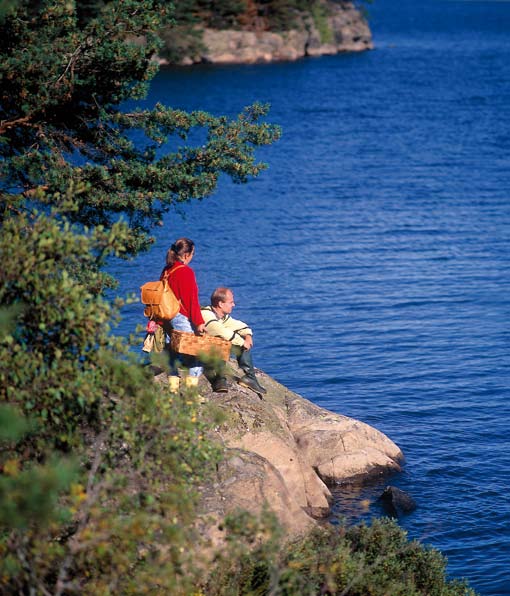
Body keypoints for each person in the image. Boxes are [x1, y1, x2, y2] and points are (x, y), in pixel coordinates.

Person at [201, 287, 266, 395]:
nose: (233, 305)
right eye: (231, 302)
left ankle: (248, 378)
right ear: (221, 304)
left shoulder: (222, 317)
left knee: (230, 342)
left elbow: (239, 325)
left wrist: (248, 336)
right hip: (197, 352)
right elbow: (221, 331)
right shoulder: (206, 315)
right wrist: (242, 343)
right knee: (227, 342)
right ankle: (221, 379)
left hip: (209, 351)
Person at [160, 238, 205, 392]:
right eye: (192, 254)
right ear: (186, 255)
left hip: (165, 317)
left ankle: (173, 388)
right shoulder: (186, 271)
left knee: (171, 351)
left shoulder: (167, 270)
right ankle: (191, 395)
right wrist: (199, 322)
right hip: (180, 316)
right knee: (196, 354)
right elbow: (191, 300)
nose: (192, 257)